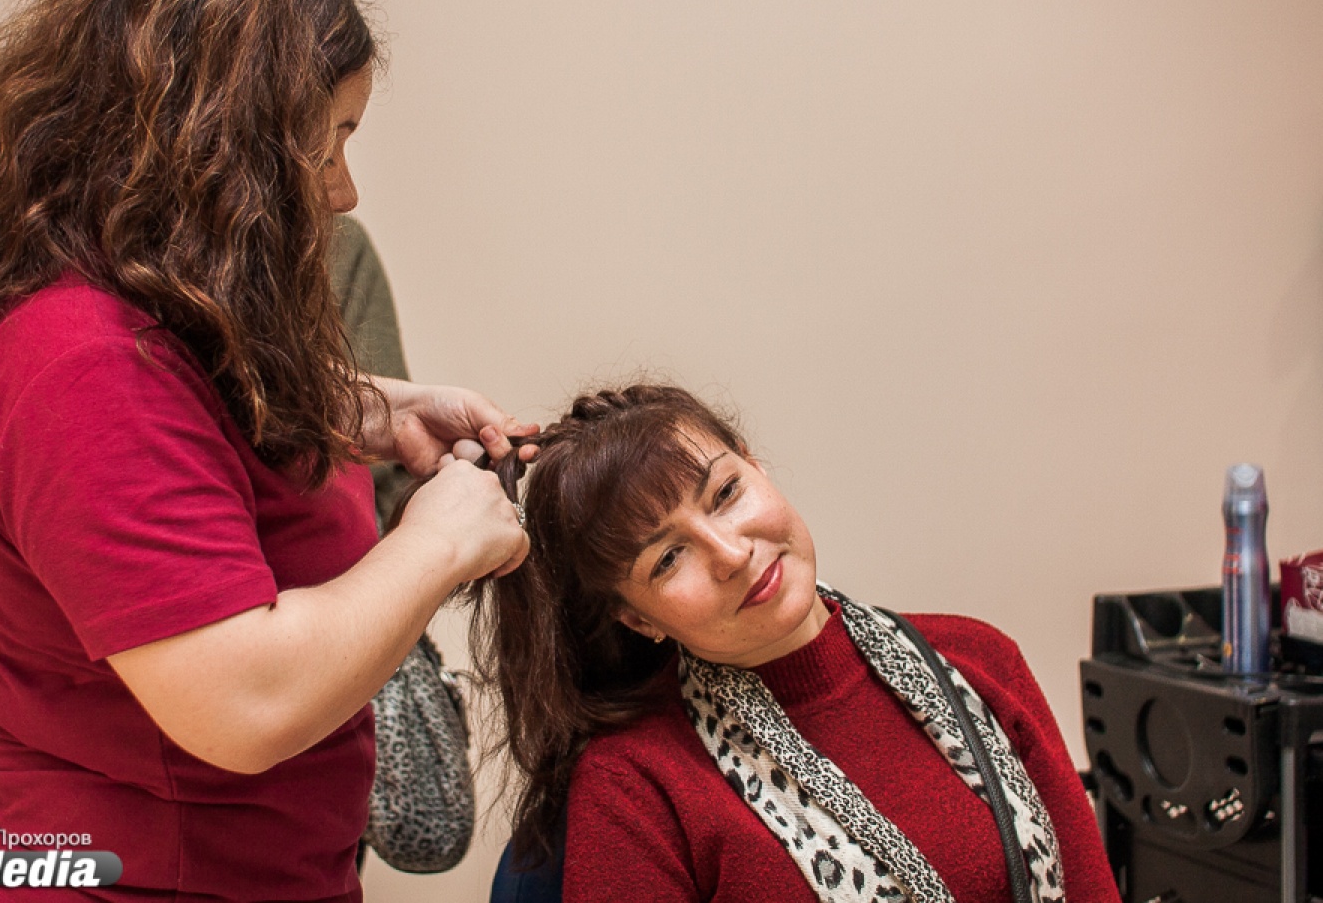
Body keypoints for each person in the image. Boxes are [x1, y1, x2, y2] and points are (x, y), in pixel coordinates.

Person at [0, 0, 534, 901]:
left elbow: (193, 416)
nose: (343, 192)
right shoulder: (81, 361)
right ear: (221, 150)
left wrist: (368, 410)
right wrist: (438, 542)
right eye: (326, 148)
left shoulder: (147, 316)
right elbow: (243, 702)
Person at [475, 385, 1121, 903]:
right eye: (669, 558)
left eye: (726, 493)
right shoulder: (634, 783)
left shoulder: (979, 657)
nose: (731, 553)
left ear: (757, 466)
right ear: (637, 618)